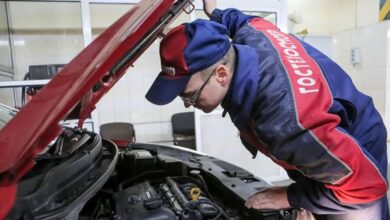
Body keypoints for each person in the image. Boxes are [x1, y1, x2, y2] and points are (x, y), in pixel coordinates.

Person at [145, 0, 389, 219]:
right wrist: (215, 12)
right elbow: (242, 20)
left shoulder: (284, 119)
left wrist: (292, 196)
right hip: (328, 144)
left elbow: (365, 187)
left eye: (189, 95)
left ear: (221, 74)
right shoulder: (253, 34)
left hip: (357, 166)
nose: (187, 103)